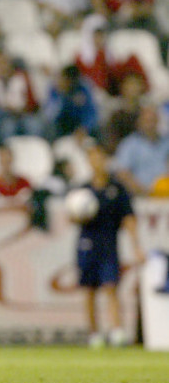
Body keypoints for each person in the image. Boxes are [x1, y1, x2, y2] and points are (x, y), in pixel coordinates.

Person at [71, 142, 144, 347]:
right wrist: (78, 216)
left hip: (109, 242)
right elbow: (72, 217)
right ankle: (94, 334)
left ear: (105, 160)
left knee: (111, 286)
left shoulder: (117, 189)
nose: (97, 162)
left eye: (100, 157)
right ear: (88, 161)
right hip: (86, 243)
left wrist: (136, 245)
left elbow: (129, 218)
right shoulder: (83, 190)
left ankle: (117, 330)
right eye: (92, 158)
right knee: (89, 289)